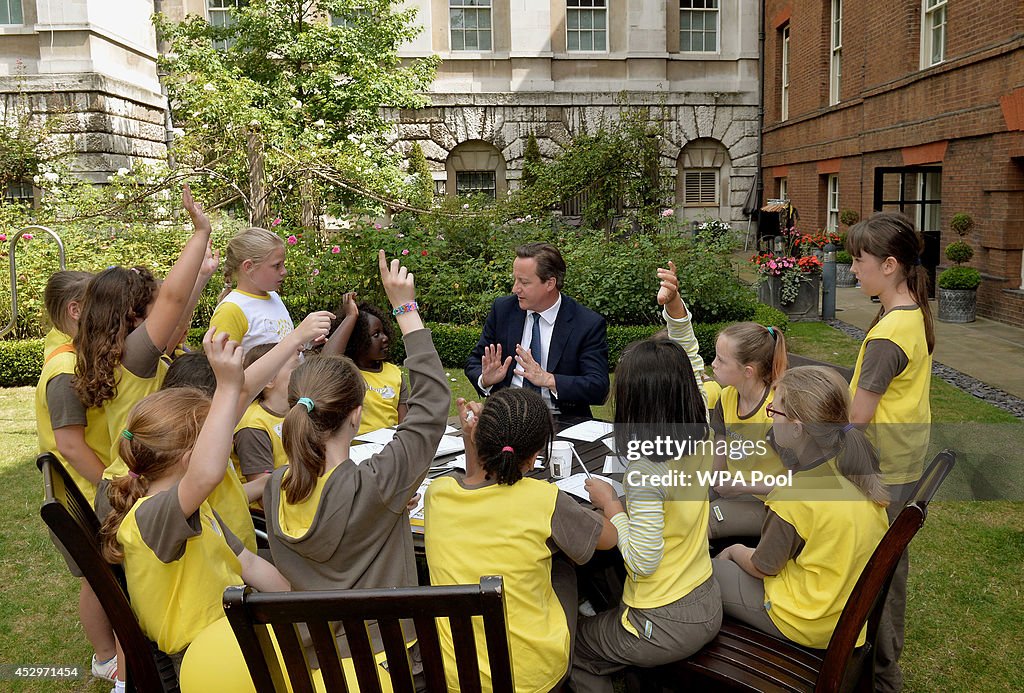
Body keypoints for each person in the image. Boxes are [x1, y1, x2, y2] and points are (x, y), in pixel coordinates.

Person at [262, 250, 449, 664]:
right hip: (389, 661)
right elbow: (432, 402)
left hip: (320, 661)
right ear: (357, 414)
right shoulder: (377, 484)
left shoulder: (276, 486)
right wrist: (406, 307)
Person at [98, 330, 291, 675]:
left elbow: (247, 562)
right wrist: (229, 388)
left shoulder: (195, 508)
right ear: (191, 458)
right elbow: (206, 475)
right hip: (199, 656)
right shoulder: (154, 515)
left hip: (228, 632)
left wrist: (299, 604)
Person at [571, 263, 722, 690]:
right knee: (602, 588)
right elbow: (690, 356)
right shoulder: (701, 424)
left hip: (664, 618)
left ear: (635, 402)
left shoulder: (644, 468)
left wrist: (611, 505)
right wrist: (673, 306)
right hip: (703, 595)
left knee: (572, 646)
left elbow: (642, 558)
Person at [425, 390, 617, 692]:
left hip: (460, 676)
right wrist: (610, 502)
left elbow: (476, 482)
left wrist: (469, 440)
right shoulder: (544, 499)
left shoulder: (437, 494)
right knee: (563, 568)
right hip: (535, 676)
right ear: (535, 456)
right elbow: (608, 539)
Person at [713, 366, 889, 650]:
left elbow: (763, 567)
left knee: (701, 573)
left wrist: (733, 551)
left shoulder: (793, 494)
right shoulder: (856, 470)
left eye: (775, 411)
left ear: (797, 428)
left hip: (803, 621)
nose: (769, 414)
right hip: (842, 616)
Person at [847, 212, 934, 692]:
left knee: (879, 570)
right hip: (903, 462)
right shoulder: (910, 312)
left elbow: (857, 418)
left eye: (859, 260)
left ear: (890, 265)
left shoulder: (887, 334)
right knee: (889, 565)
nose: (853, 269)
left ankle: (881, 674)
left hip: (885, 470)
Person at [76, 185, 218, 481]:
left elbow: (177, 318)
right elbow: (173, 300)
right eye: (154, 302)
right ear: (135, 316)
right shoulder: (134, 358)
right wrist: (200, 231)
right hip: (144, 479)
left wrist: (201, 276)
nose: (163, 310)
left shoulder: (122, 355)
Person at [35, 269, 118, 683]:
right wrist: (113, 484)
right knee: (98, 579)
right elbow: (70, 444)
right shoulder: (65, 368)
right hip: (88, 496)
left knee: (100, 576)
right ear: (76, 310)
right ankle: (105, 657)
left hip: (89, 492)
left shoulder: (69, 353)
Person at [465, 242, 609, 418]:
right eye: (515, 279)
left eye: (524, 282)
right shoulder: (503, 310)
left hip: (559, 421)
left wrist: (549, 379)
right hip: (506, 417)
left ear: (550, 283)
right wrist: (485, 379)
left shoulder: (587, 323)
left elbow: (598, 387)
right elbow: (474, 361)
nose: (515, 288)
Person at [707, 322, 789, 539]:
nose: (713, 364)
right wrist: (716, 478)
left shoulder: (775, 416)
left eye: (721, 360)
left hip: (770, 503)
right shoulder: (726, 398)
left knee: (699, 524)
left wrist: (741, 487)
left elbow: (798, 483)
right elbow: (720, 447)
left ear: (747, 371)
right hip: (736, 489)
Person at [321, 292, 409, 434]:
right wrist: (351, 317)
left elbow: (404, 424)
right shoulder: (346, 373)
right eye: (376, 335)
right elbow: (325, 363)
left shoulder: (395, 373)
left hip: (391, 448)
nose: (385, 338)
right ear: (358, 341)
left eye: (384, 332)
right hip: (357, 450)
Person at [209, 226, 293, 352]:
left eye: (283, 264)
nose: (284, 271)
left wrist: (306, 342)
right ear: (248, 267)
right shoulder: (231, 310)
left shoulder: (273, 296)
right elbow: (222, 369)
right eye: (277, 265)